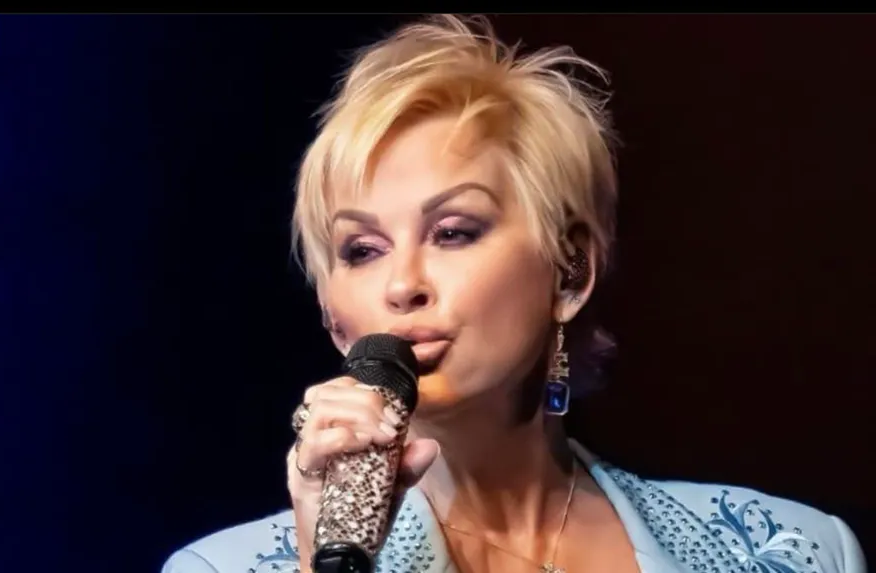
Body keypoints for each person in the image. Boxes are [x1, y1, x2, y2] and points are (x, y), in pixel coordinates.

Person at [161, 14, 866, 573]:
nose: (403, 284)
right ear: (334, 317)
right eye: (363, 250)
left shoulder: (795, 551)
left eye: (454, 231)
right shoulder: (217, 567)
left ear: (570, 274)